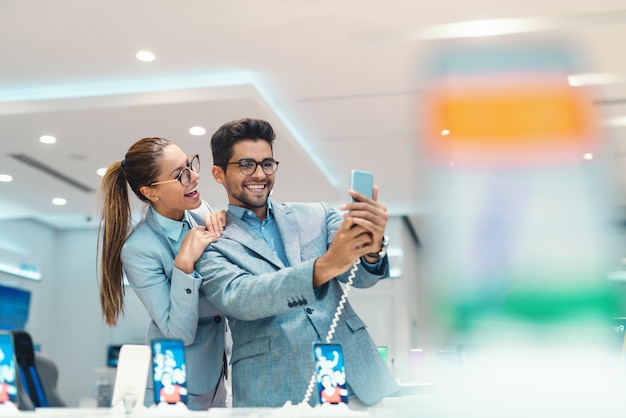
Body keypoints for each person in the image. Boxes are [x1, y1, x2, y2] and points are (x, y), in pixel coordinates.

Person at [196, 118, 400, 407]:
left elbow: (362, 278)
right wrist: (324, 267)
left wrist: (371, 247)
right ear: (218, 173)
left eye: (267, 163)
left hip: (359, 382)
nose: (260, 174)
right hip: (275, 389)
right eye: (246, 164)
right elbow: (242, 298)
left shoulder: (316, 215)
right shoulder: (211, 243)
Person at [98, 137, 228, 410]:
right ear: (151, 192)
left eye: (189, 165)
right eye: (180, 175)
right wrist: (183, 266)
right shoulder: (138, 249)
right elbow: (177, 334)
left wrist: (225, 220)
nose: (195, 176)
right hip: (173, 387)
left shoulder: (199, 211)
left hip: (215, 381)